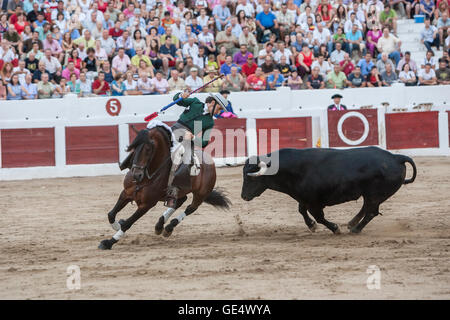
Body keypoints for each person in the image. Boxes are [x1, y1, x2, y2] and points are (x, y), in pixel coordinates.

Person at [163, 91, 228, 208]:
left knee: (187, 164)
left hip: (187, 140)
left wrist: (193, 137)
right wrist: (180, 95)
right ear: (212, 103)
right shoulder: (195, 103)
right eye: (219, 108)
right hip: (174, 131)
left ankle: (172, 193)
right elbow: (178, 101)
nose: (220, 112)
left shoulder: (209, 121)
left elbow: (203, 142)